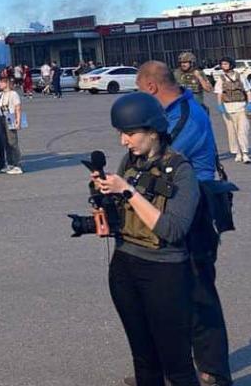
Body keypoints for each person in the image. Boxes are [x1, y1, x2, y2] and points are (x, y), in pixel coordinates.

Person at [93, 92, 201, 386]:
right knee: (143, 358)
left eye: (129, 133)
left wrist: (128, 191)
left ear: (153, 132)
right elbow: (123, 214)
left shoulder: (181, 171)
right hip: (125, 265)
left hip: (164, 272)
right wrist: (103, 204)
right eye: (120, 134)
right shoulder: (129, 163)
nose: (123, 141)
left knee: (176, 363)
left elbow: (173, 230)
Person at [136, 61, 232, 386]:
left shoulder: (188, 115)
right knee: (166, 295)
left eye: (140, 92)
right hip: (169, 205)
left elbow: (163, 159)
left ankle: (214, 372)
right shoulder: (173, 112)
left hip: (196, 207)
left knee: (199, 293)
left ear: (150, 88)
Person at [213, 57, 251, 164]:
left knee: (243, 130)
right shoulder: (221, 79)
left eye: (226, 64)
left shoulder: (240, 77)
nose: (224, 66)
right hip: (228, 108)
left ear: (231, 65)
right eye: (222, 64)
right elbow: (219, 94)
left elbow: (248, 91)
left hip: (241, 107)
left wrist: (250, 103)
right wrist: (220, 105)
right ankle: (237, 153)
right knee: (232, 132)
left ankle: (245, 153)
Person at [0, 76, 23, 174]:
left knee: (12, 142)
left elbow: (18, 108)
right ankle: (10, 164)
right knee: (5, 142)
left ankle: (17, 165)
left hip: (10, 116)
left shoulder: (13, 94)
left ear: (6, 83)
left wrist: (18, 121)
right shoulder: (1, 94)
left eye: (1, 82)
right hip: (1, 118)